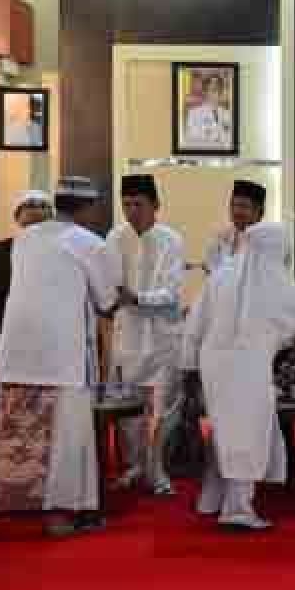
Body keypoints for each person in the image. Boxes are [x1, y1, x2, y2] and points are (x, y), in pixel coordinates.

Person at [0, 177, 119, 540]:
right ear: (88, 208)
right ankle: (60, 517)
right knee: (65, 435)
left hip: (18, 351)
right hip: (61, 354)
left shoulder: (24, 240)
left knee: (3, 433)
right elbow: (107, 300)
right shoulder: (90, 243)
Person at [182, 221, 295, 531]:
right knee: (246, 434)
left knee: (223, 429)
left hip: (214, 362)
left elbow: (196, 324)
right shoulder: (274, 279)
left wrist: (190, 366)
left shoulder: (224, 274)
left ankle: (212, 499)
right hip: (247, 365)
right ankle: (237, 510)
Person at [105, 175, 186, 496]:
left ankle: (158, 469)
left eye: (138, 204)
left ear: (156, 206)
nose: (131, 210)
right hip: (127, 337)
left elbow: (171, 293)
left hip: (163, 337)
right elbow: (109, 285)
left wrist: (137, 298)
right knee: (126, 409)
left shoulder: (171, 240)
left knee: (165, 407)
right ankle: (134, 466)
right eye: (126, 204)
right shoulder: (115, 237)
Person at [0, 190, 53, 378]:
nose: (36, 209)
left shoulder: (63, 251)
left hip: (51, 343)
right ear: (17, 217)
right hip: (10, 340)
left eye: (42, 205)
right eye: (30, 205)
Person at [203, 180, 266, 274]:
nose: (236, 211)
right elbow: (211, 271)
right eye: (233, 205)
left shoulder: (265, 241)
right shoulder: (221, 237)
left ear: (258, 211)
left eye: (243, 206)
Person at [183, 73, 232, 149]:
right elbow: (190, 138)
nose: (215, 93)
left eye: (218, 89)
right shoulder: (193, 113)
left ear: (221, 92)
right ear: (205, 92)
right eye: (212, 89)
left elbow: (230, 139)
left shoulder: (227, 114)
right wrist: (213, 135)